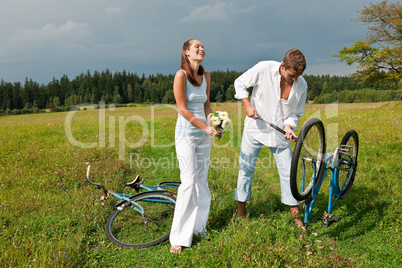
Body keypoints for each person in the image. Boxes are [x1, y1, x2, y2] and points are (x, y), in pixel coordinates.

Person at [234, 49, 307, 230]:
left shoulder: (302, 84)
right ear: (283, 67)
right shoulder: (264, 68)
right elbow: (239, 83)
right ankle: (240, 213)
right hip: (255, 129)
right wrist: (247, 105)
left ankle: (295, 215)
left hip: (279, 134)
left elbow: (296, 112)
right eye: (291, 76)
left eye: (297, 76)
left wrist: (289, 126)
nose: (294, 80)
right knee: (246, 169)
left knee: (289, 173)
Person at [169, 39, 221, 254]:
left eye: (203, 46)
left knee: (201, 182)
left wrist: (214, 122)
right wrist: (203, 126)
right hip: (186, 136)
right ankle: (179, 237)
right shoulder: (181, 76)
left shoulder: (206, 76)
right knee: (189, 182)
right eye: (196, 47)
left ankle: (199, 228)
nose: (201, 49)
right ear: (186, 53)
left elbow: (206, 105)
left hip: (203, 136)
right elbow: (182, 108)